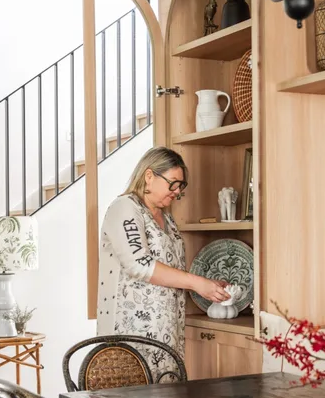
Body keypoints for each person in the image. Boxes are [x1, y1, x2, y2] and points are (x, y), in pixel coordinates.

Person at [97, 146, 230, 377]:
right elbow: (139, 264)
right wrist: (197, 283)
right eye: (173, 183)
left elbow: (171, 269)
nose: (177, 192)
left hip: (167, 332)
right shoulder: (125, 208)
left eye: (181, 186)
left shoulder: (166, 218)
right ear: (149, 176)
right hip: (132, 332)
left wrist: (207, 285)